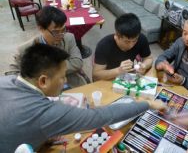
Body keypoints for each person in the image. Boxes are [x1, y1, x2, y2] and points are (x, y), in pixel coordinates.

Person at [0, 44, 166, 152]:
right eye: (63, 77)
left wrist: (40, 137)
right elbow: (101, 116)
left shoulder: (6, 80)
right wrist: (148, 103)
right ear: (43, 81)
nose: (65, 82)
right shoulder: (45, 113)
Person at [14, 6, 85, 88]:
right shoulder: (26, 48)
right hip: (42, 91)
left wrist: (41, 71)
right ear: (41, 28)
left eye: (63, 30)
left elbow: (77, 62)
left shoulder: (69, 38)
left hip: (69, 84)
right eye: (56, 32)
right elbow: (13, 74)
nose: (61, 35)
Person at [93, 13, 153, 81]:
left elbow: (149, 58)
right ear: (117, 36)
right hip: (109, 79)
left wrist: (144, 66)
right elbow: (96, 75)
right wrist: (118, 71)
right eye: (127, 41)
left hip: (128, 77)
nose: (131, 45)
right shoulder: (104, 45)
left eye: (134, 40)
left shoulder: (141, 39)